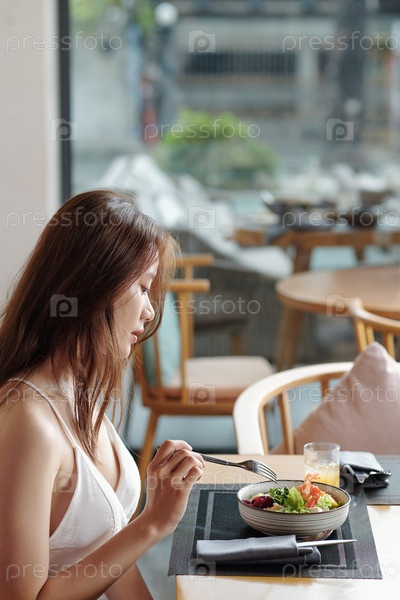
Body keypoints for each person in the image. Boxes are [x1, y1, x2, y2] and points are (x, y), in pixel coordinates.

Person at [0, 189, 205, 599]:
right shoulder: (28, 420)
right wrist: (153, 524)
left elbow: (106, 554)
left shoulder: (77, 390)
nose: (149, 311)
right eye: (143, 287)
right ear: (97, 288)